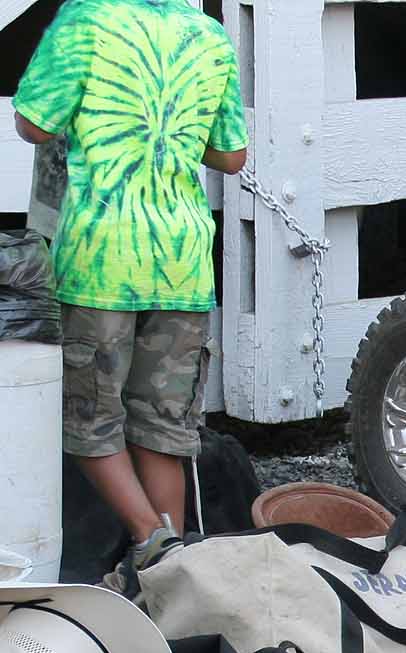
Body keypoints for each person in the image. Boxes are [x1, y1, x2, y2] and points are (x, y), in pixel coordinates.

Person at [12, 0, 246, 570]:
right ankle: (172, 571)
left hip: (100, 261)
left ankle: (150, 540)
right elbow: (230, 155)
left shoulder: (85, 19)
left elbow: (34, 122)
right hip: (182, 261)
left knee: (89, 417)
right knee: (162, 424)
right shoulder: (208, 34)